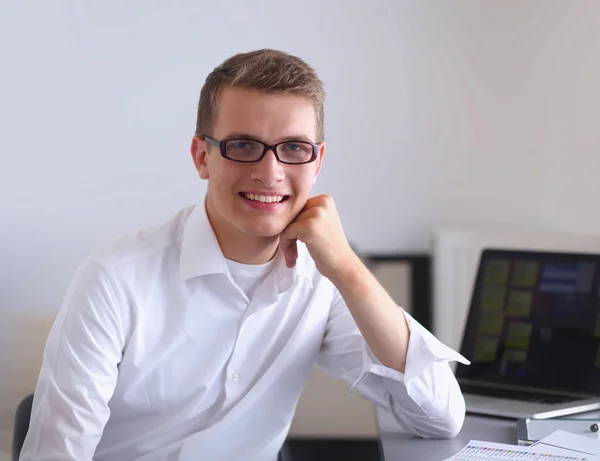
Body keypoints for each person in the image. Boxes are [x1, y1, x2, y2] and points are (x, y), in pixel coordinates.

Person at [20, 49, 469, 461]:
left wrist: (348, 268)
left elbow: (438, 418)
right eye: (243, 146)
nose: (269, 172)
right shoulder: (113, 280)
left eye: (294, 148)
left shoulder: (322, 280)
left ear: (317, 162)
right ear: (202, 157)